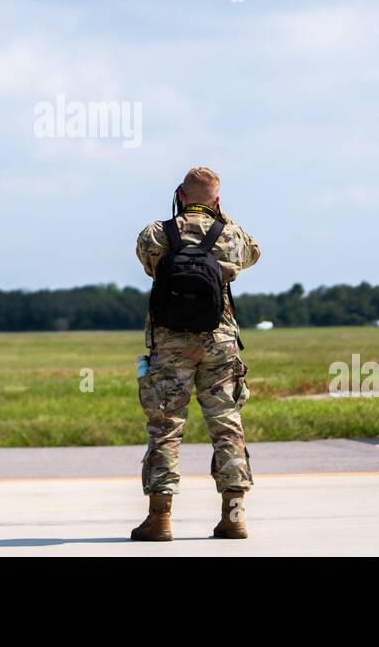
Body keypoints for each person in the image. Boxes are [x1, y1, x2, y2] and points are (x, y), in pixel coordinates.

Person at [131, 166, 261, 541]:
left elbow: (148, 264)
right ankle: (233, 517)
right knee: (226, 425)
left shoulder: (157, 233)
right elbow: (252, 253)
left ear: (181, 194)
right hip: (219, 341)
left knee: (165, 427)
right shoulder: (231, 234)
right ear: (217, 200)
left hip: (170, 342)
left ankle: (160, 519)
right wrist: (222, 218)